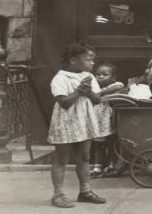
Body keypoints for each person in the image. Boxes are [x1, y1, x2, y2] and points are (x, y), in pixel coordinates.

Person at [48, 43, 106, 208]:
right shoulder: (60, 78)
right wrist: (80, 91)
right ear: (73, 60)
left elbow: (97, 100)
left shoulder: (88, 76)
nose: (92, 63)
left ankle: (85, 191)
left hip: (84, 121)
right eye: (89, 60)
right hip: (65, 122)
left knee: (84, 157)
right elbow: (64, 102)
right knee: (62, 158)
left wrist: (87, 91)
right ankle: (58, 194)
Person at [90, 63, 124, 178]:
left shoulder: (115, 85)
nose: (100, 77)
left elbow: (119, 87)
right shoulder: (94, 88)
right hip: (98, 120)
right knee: (98, 145)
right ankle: (97, 167)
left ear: (113, 77)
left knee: (112, 143)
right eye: (98, 74)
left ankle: (112, 165)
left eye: (105, 74)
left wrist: (102, 92)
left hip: (110, 120)